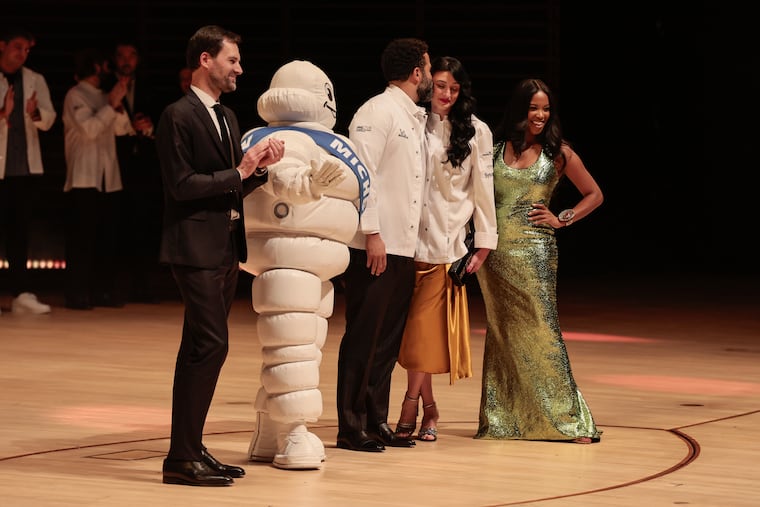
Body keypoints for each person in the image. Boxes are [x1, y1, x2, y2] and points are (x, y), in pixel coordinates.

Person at [155, 25, 284, 487]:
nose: (239, 69)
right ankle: (182, 455)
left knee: (199, 347)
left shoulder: (226, 116)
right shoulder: (177, 115)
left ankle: (188, 451)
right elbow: (181, 186)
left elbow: (228, 185)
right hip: (194, 248)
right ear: (205, 60)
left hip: (225, 247)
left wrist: (257, 171)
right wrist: (240, 170)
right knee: (211, 345)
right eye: (232, 60)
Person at [239, 60, 360, 470]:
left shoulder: (319, 140)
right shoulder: (287, 138)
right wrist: (308, 185)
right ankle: (293, 433)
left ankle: (268, 430)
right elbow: (283, 175)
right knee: (292, 346)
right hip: (288, 252)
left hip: (313, 256)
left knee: (298, 345)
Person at [475, 78, 603, 443]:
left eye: (546, 109)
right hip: (494, 258)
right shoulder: (494, 151)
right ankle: (503, 419)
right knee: (502, 334)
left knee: (544, 332)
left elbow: (594, 194)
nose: (541, 115)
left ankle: (569, 420)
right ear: (519, 109)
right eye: (534, 108)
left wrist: (562, 218)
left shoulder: (558, 153)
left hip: (535, 253)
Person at [336, 37, 432, 453]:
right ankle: (350, 425)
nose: (431, 76)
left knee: (388, 341)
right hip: (375, 245)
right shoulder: (376, 111)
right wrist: (371, 232)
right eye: (429, 68)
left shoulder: (412, 117)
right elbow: (362, 174)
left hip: (403, 246)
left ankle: (376, 419)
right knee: (363, 336)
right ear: (417, 72)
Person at [395, 56, 498, 442]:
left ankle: (410, 403)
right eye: (440, 85)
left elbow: (483, 190)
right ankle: (431, 408)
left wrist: (484, 245)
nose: (447, 94)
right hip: (406, 243)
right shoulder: (413, 122)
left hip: (446, 245)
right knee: (413, 336)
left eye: (454, 88)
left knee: (421, 334)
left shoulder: (476, 131)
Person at [61, 48, 132, 310]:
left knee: (106, 238)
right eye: (102, 66)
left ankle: (103, 291)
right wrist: (111, 105)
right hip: (84, 177)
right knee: (82, 240)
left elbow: (123, 129)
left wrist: (116, 105)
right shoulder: (75, 95)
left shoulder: (105, 96)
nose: (105, 70)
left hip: (108, 177)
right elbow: (89, 129)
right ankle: (77, 292)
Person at [0, 27, 56, 315]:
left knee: (19, 231)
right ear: (2, 45)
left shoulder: (35, 79)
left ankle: (21, 293)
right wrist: (3, 113)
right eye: (18, 47)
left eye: (27, 50)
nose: (22, 54)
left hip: (23, 168)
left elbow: (49, 118)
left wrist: (34, 113)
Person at [112, 40, 164, 304]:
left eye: (131, 55)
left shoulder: (149, 87)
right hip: (113, 163)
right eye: (121, 55)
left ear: (138, 59)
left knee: (143, 224)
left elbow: (161, 121)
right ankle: (114, 288)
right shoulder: (104, 86)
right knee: (114, 225)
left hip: (144, 166)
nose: (126, 60)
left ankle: (143, 286)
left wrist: (148, 127)